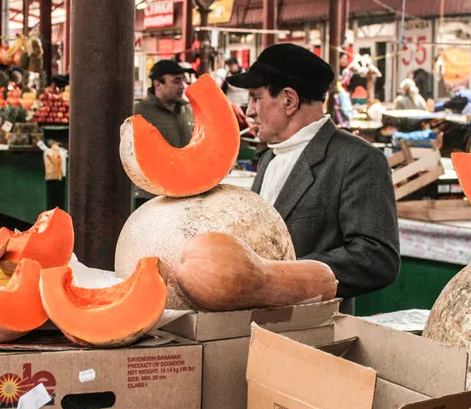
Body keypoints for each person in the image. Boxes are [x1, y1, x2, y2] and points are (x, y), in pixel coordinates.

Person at [228, 43, 400, 314]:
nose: (249, 111)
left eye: (255, 98)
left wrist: (278, 277)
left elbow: (376, 258)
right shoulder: (268, 159)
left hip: (316, 334)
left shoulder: (358, 160)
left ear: (289, 100)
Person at [132, 59, 195, 208]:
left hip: (185, 192)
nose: (182, 86)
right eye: (176, 81)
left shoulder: (187, 111)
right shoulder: (139, 113)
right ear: (157, 84)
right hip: (152, 196)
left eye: (183, 81)